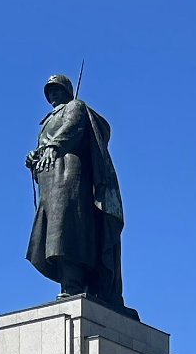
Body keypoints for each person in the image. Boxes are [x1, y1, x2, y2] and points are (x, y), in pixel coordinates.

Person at [24, 74, 132, 316]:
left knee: (67, 229)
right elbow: (45, 149)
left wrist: (54, 145)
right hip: (49, 181)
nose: (52, 94)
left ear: (67, 90)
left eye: (56, 88)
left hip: (69, 174)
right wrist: (35, 157)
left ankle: (73, 284)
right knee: (53, 232)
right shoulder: (46, 121)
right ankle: (70, 282)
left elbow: (73, 128)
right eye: (49, 90)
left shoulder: (75, 107)